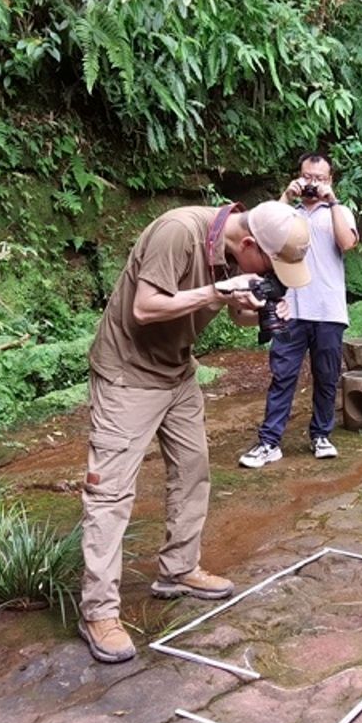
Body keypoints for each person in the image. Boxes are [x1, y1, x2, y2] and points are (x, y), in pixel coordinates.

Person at [79, 200, 311, 663]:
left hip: (178, 371)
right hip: (128, 374)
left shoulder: (230, 250)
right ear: (248, 245)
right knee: (110, 494)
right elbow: (146, 309)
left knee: (193, 471)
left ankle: (178, 570)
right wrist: (217, 293)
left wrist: (259, 306)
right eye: (272, 267)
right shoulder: (178, 232)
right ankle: (98, 611)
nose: (278, 274)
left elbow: (234, 311)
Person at [239, 153, 358, 469]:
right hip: (289, 307)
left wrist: (331, 203)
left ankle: (321, 435)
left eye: (320, 178)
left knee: (327, 376)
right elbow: (264, 235)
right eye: (308, 176)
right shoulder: (286, 214)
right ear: (298, 176)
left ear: (330, 180)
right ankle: (269, 442)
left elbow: (347, 243)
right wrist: (285, 196)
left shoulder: (340, 211)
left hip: (328, 309)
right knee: (283, 376)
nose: (313, 183)